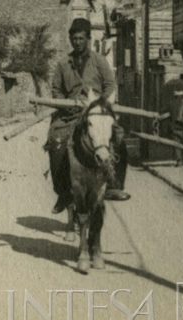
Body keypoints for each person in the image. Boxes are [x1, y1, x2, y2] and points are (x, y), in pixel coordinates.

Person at [45, 18, 131, 212]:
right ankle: (63, 193)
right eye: (74, 38)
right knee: (55, 142)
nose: (77, 42)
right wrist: (69, 106)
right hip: (70, 115)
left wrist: (100, 103)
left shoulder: (99, 61)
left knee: (119, 140)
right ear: (70, 39)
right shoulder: (62, 64)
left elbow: (110, 84)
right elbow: (56, 90)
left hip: (96, 113)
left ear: (89, 39)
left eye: (81, 38)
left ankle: (115, 186)